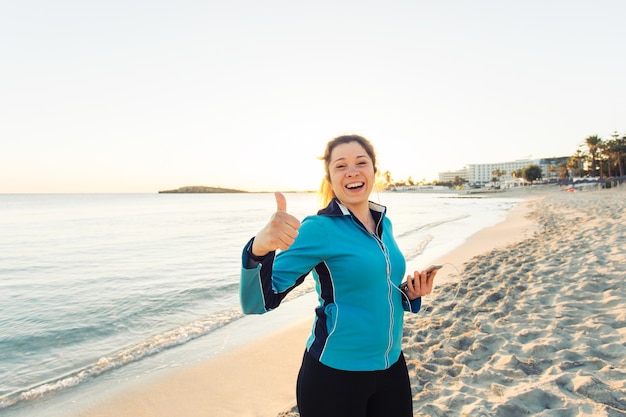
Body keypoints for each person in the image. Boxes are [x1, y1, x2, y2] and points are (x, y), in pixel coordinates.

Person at [240, 134, 438, 417]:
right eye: (341, 166)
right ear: (330, 179)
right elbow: (258, 302)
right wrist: (259, 249)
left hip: (391, 366)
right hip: (335, 376)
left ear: (373, 171)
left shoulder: (385, 223)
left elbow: (375, 287)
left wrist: (409, 294)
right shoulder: (319, 229)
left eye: (361, 162)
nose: (353, 171)